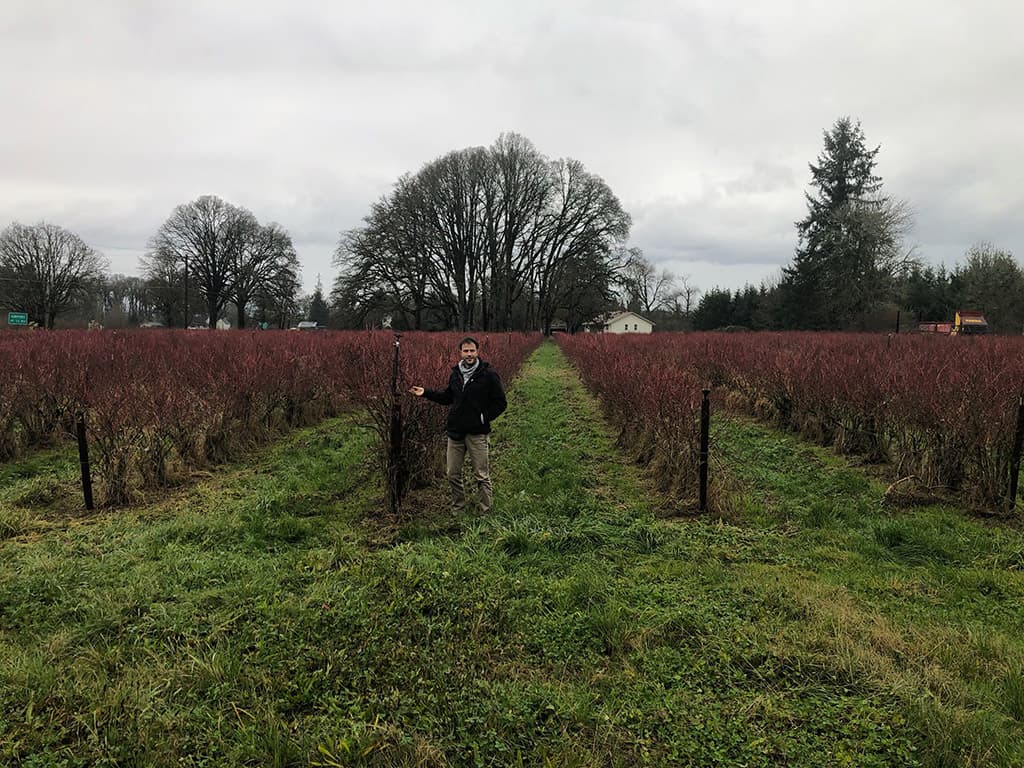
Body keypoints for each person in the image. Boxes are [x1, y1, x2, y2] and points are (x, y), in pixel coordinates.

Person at [408, 336, 507, 514]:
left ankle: (486, 511)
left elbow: (501, 403)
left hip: (477, 433)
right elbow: (448, 398)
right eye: (465, 351)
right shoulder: (455, 374)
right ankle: (458, 509)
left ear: (477, 352)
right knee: (452, 474)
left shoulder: (489, 375)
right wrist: (426, 393)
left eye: (472, 351)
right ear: (460, 353)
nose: (469, 354)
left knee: (481, 476)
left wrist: (483, 418)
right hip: (456, 433)